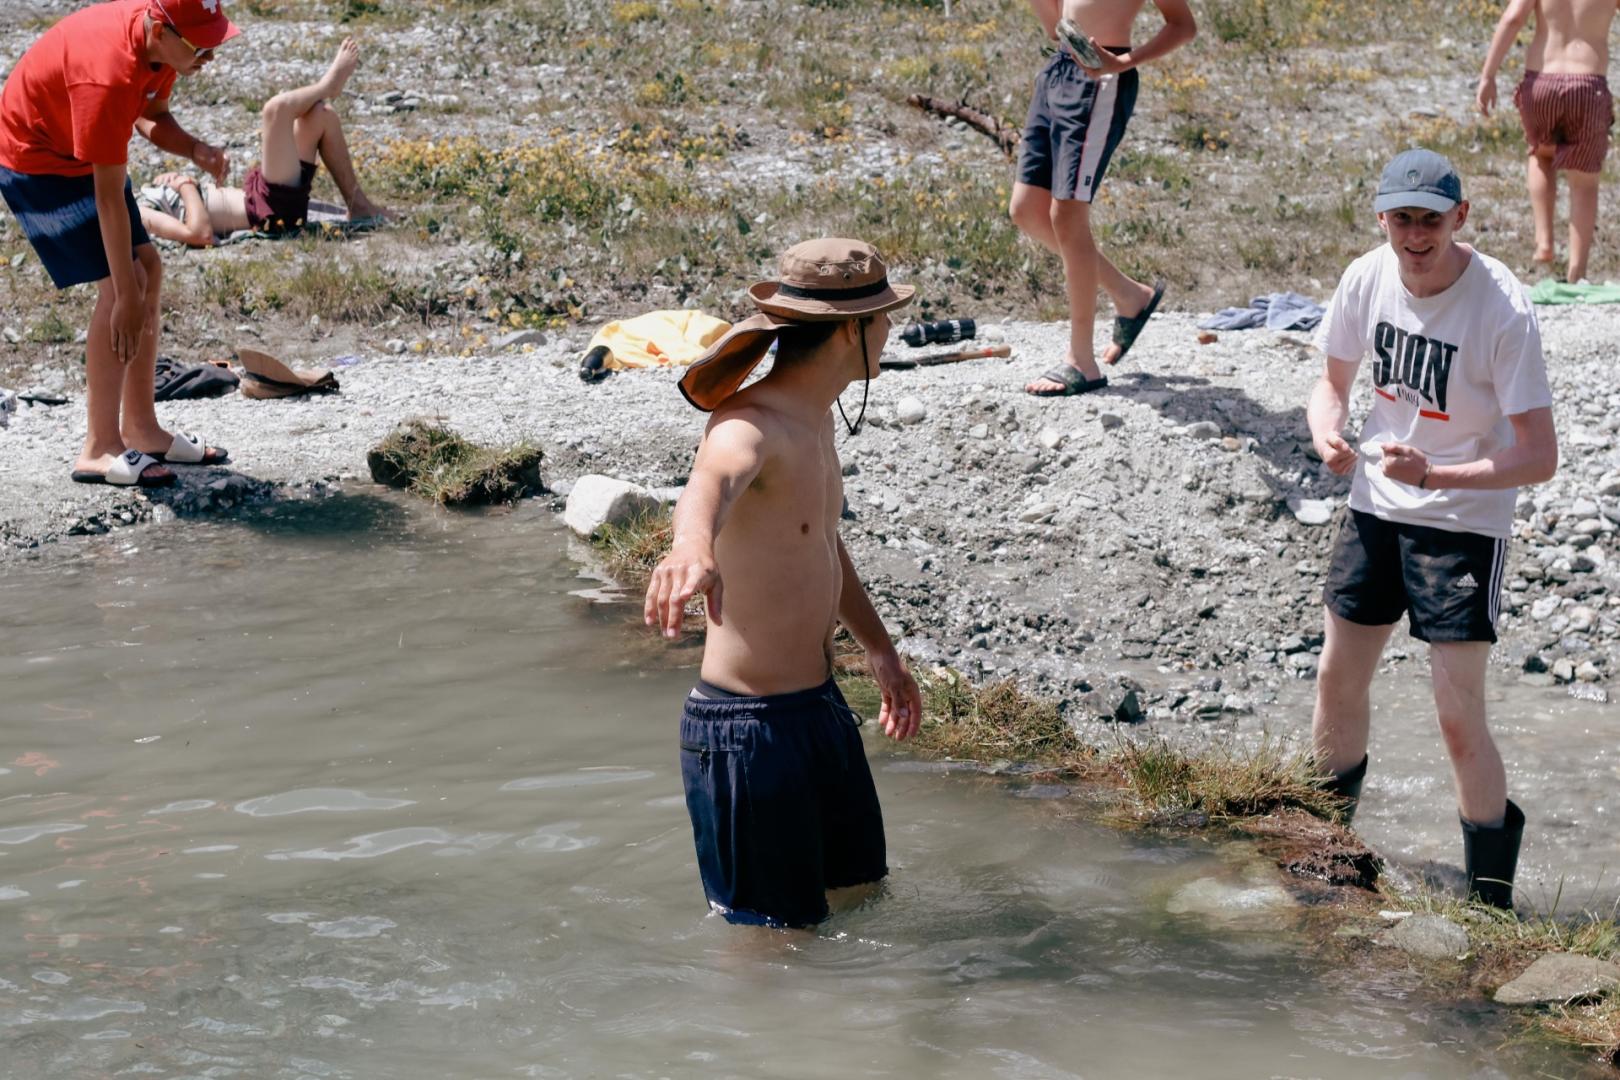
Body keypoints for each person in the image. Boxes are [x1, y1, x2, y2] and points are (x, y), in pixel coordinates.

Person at [644, 238, 925, 929]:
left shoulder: (816, 419)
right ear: (851, 330)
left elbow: (821, 545)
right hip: (746, 732)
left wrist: (881, 652)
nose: (891, 327)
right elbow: (710, 482)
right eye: (884, 316)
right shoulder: (751, 425)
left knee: (861, 896)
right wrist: (690, 546)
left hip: (818, 712)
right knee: (769, 948)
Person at [1307, 149, 1559, 911]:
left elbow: (1539, 457)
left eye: (1430, 221)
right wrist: (1327, 435)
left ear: (1460, 218)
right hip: (1376, 505)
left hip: (1463, 520)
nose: (1415, 237)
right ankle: (1323, 856)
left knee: (1456, 715)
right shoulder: (1367, 276)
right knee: (1336, 680)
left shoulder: (1502, 307)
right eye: (1401, 220)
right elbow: (1330, 383)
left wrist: (1437, 475)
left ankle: (1490, 904)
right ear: (1381, 217)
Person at [0, 0, 237, 486]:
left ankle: (142, 429)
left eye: (214, 42)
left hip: (78, 147)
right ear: (160, 30)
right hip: (35, 158)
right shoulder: (106, 77)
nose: (210, 55)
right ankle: (98, 448)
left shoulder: (158, 49)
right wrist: (127, 296)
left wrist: (193, 148)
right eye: (201, 45)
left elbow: (150, 114)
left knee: (149, 268)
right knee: (121, 286)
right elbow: (108, 198)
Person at [1013, 0, 1196, 397]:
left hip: (1101, 80)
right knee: (1026, 209)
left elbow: (1183, 26)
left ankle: (1082, 361)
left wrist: (1123, 63)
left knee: (1067, 215)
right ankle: (1130, 296)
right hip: (1060, 69)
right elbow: (1055, 27)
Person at [136, 38, 392, 247]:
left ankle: (360, 206)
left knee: (319, 115)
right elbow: (199, 234)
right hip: (268, 211)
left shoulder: (133, 201)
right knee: (276, 110)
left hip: (259, 198)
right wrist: (184, 185)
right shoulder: (133, 215)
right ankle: (328, 86)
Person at [1476, 0, 1618, 284]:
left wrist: (1488, 75)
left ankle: (1544, 241)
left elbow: (1513, 18)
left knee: (1540, 155)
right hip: (1588, 85)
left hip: (1542, 82)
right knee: (1584, 182)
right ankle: (1577, 272)